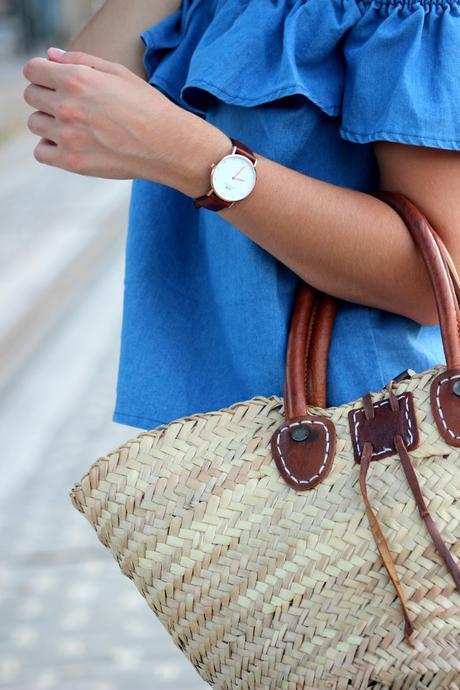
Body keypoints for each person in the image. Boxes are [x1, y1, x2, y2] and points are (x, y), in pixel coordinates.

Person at [22, 0, 460, 430]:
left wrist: (197, 160)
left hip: (364, 434)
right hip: (204, 438)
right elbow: (68, 109)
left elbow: (433, 275)